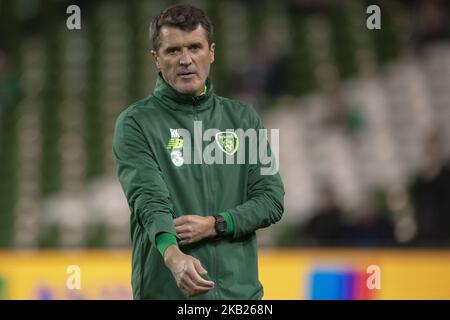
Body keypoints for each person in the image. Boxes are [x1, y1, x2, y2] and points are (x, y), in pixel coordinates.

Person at [112, 5, 284, 300]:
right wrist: (172, 255)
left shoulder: (244, 118)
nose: (186, 60)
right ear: (156, 59)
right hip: (167, 293)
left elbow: (271, 200)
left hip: (240, 296)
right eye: (173, 51)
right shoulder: (135, 122)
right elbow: (149, 198)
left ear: (212, 52)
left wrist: (215, 224)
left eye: (195, 47)